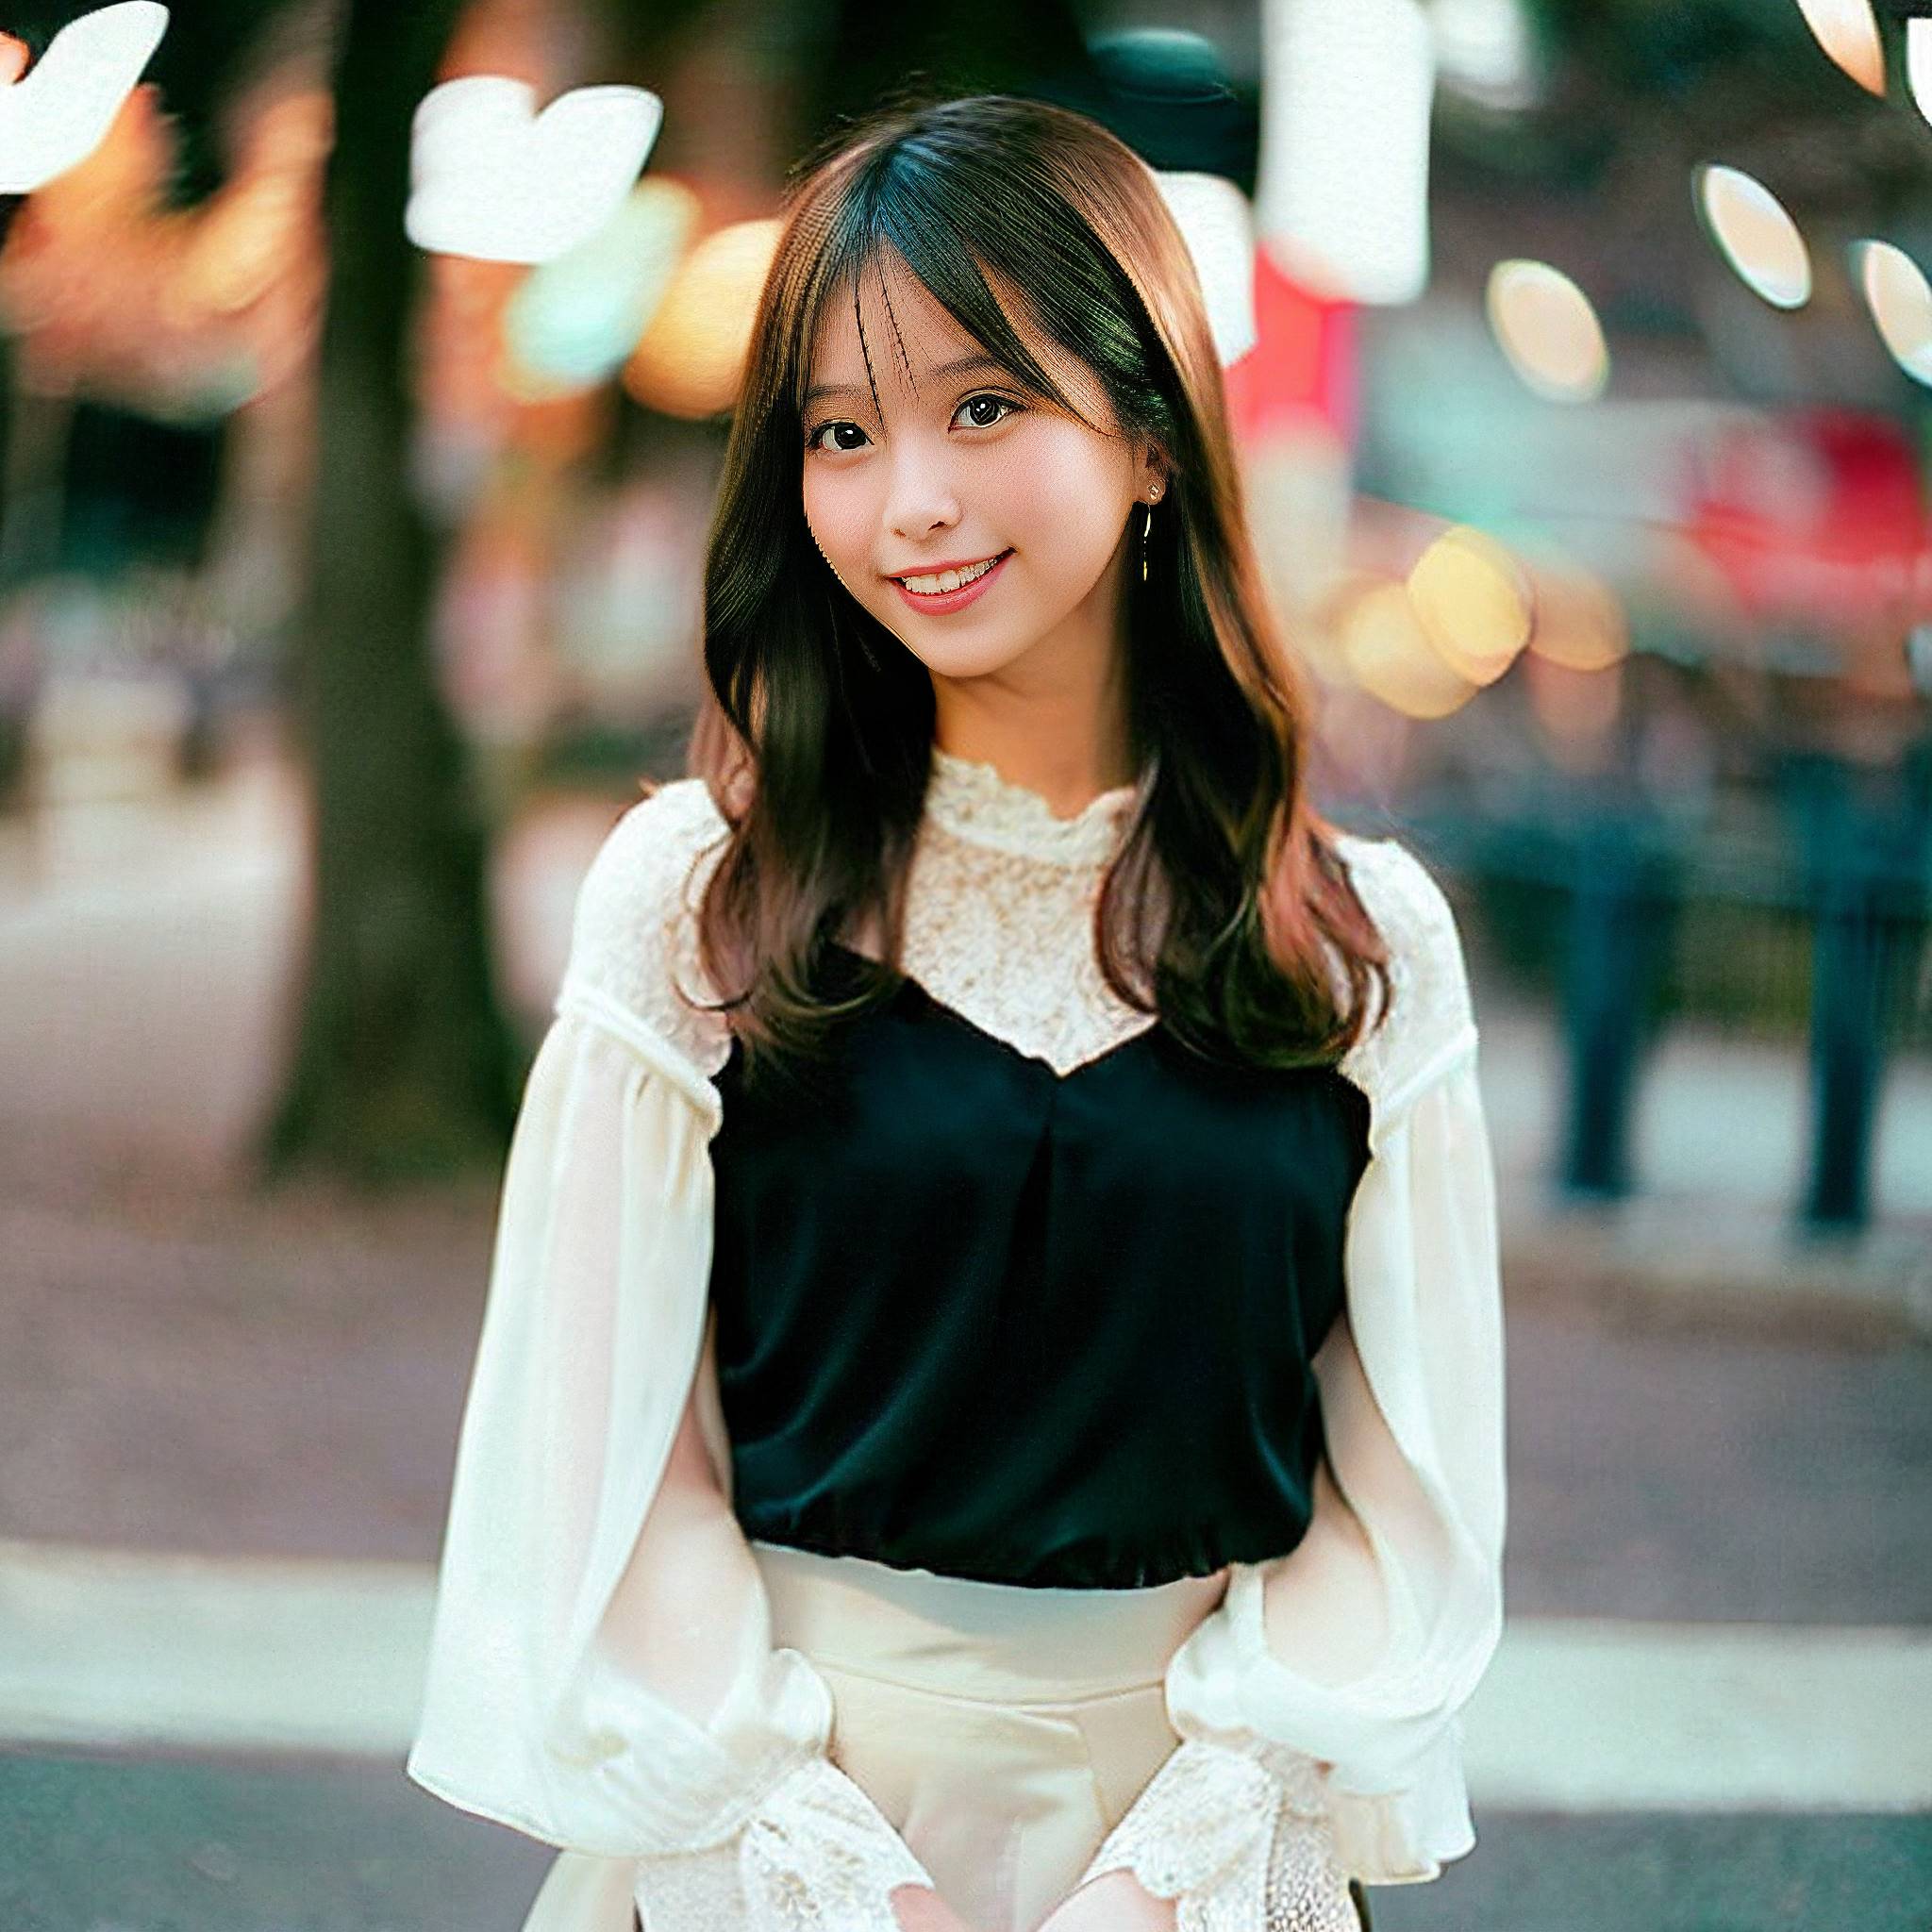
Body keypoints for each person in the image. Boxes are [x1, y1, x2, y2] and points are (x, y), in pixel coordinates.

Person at [407, 93, 1507, 1932]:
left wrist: (1181, 1865)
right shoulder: (698, 900)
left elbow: (1400, 1503)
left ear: (1148, 431)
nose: (909, 498)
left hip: (1216, 1843)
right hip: (774, 1834)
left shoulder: (1353, 946)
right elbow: (607, 1468)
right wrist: (830, 1870)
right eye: (841, 432)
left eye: (981, 407)